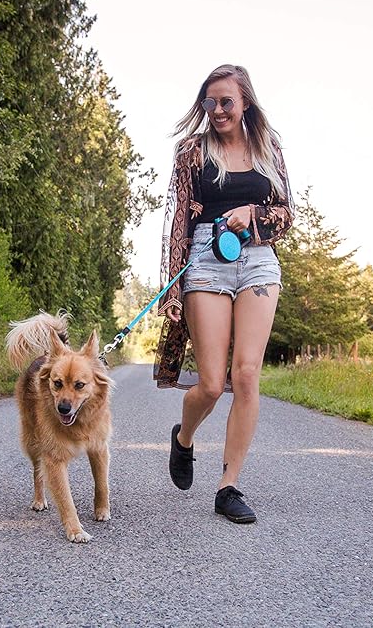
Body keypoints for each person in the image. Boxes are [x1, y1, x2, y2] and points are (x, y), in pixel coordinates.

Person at [154, 64, 294, 524]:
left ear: (245, 102)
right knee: (212, 384)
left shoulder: (268, 147)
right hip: (205, 258)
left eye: (226, 101)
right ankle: (184, 438)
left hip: (258, 260)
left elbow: (287, 215)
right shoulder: (192, 150)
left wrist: (252, 212)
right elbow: (179, 219)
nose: (217, 110)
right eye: (210, 102)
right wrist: (171, 287)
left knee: (247, 375)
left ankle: (228, 486)